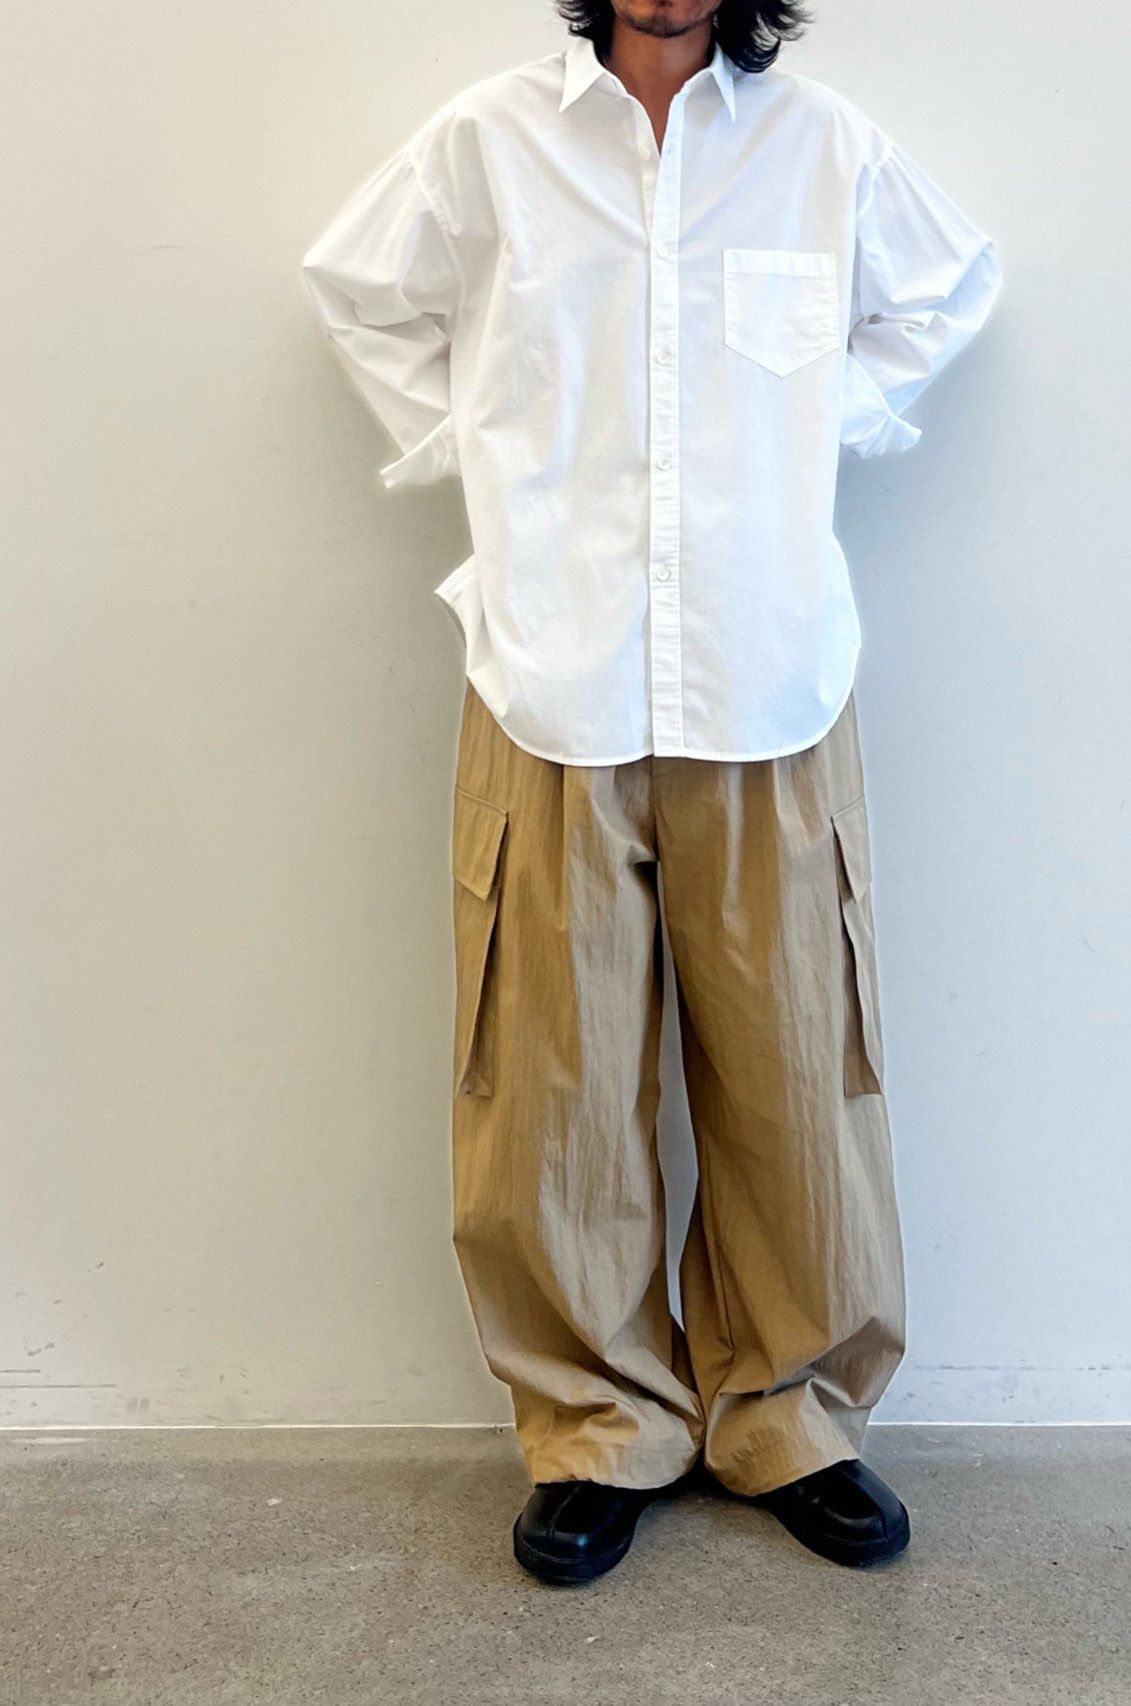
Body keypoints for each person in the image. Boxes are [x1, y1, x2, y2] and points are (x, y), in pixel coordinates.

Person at [300, 0, 1002, 1584]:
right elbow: (357, 292)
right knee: (547, 1082)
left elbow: (950, 286)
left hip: (768, 674)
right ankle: (596, 1424)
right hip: (552, 677)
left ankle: (792, 1413)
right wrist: (481, 460)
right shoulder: (491, 143)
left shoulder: (822, 146)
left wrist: (820, 429)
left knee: (797, 1067)